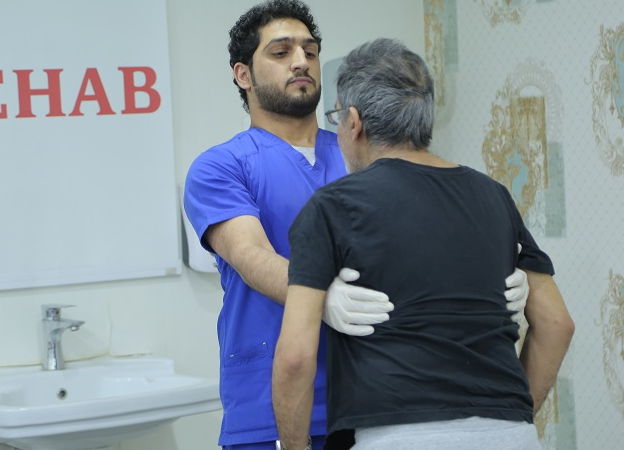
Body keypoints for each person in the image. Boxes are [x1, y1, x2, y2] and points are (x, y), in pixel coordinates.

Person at [184, 2, 530, 449]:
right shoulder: (221, 167)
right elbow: (250, 254)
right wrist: (320, 297)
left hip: (377, 403)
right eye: (281, 52)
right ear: (243, 75)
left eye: (310, 51)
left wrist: (489, 272)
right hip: (272, 407)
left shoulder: (362, 148)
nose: (301, 61)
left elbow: (424, 242)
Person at [272, 38, 575, 450]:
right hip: (511, 434)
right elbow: (557, 325)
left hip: (396, 436)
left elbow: (295, 358)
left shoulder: (333, 206)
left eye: (337, 118)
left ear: (354, 122)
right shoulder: (495, 196)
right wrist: (510, 417)